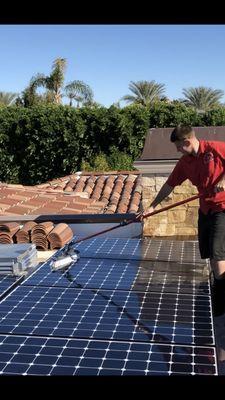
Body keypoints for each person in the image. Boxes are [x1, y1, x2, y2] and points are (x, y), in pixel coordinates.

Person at [144, 125, 225, 316]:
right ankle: (218, 290)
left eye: (179, 147)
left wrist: (223, 181)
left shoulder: (214, 148)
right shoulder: (185, 162)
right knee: (209, 256)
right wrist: (153, 206)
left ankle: (222, 304)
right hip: (205, 210)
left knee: (219, 255)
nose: (178, 150)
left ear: (187, 141)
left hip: (222, 209)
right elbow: (169, 185)